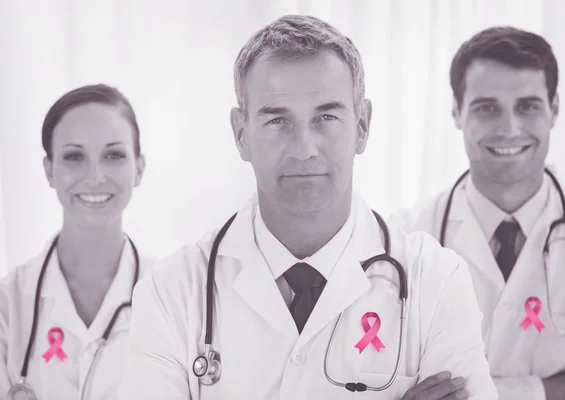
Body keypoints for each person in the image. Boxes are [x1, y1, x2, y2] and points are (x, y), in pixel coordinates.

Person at [118, 15, 498, 400]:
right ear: (241, 134)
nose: (304, 149)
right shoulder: (170, 293)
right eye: (278, 121)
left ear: (362, 126)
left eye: (326, 117)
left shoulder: (435, 281)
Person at [389, 26, 565, 400]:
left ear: (554, 109)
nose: (509, 128)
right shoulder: (401, 242)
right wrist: (556, 389)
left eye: (528, 106)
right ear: (456, 112)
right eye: (487, 107)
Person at [0, 84, 154, 400]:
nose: (95, 175)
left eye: (113, 155)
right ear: (49, 170)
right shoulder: (8, 305)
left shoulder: (173, 295)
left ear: (138, 168)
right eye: (74, 156)